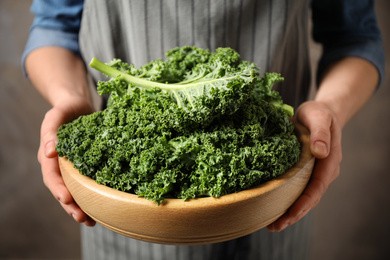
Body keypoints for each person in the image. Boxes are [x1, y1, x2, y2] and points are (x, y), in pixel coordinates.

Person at [22, 0, 385, 259]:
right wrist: (69, 97)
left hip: (271, 204)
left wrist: (329, 109)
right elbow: (53, 27)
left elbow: (355, 36)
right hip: (127, 218)